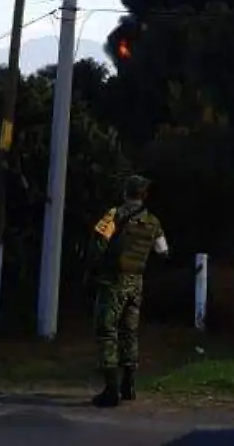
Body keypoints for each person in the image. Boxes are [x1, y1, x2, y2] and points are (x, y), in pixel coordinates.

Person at [88, 174, 169, 408]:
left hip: (114, 281)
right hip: (137, 282)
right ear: (144, 195)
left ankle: (111, 389)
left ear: (126, 192)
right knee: (129, 332)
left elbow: (98, 244)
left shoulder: (115, 215)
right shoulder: (154, 222)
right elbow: (163, 252)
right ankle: (129, 386)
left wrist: (94, 269)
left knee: (107, 331)